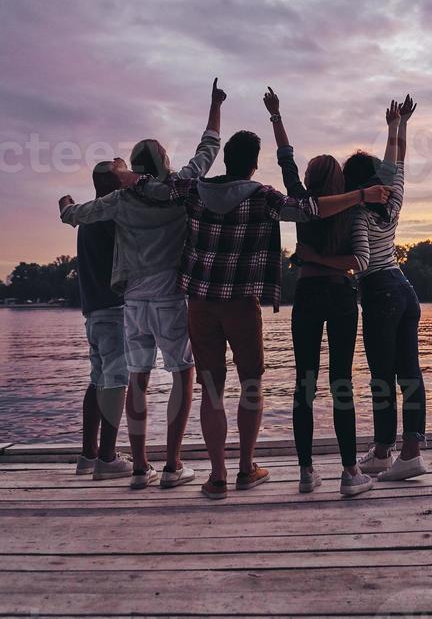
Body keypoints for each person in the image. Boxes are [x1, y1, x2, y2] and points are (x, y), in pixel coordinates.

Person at [119, 91, 391, 502]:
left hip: (201, 306)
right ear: (252, 164)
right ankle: (248, 468)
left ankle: (217, 478)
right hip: (243, 305)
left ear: (226, 160)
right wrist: (359, 196)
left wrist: (129, 177)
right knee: (253, 385)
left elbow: (158, 188)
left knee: (211, 389)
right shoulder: (263, 197)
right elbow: (311, 209)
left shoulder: (194, 190)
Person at [59, 79, 223, 490]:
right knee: (183, 375)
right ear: (162, 162)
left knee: (137, 378)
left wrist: (64, 204)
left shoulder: (119, 201)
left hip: (132, 302)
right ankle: (172, 465)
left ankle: (137, 467)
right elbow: (208, 149)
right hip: (170, 295)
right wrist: (215, 105)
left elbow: (74, 215)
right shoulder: (180, 188)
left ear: (134, 165)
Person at [263, 87, 374, 498]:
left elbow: (285, 158)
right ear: (340, 180)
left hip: (308, 296)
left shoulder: (301, 202)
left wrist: (276, 115)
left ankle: (307, 472)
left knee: (304, 383)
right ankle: (349, 473)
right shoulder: (353, 209)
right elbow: (357, 262)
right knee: (341, 383)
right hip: (342, 298)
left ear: (310, 181)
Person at [346, 95, 427, 480]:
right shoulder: (393, 200)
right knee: (409, 372)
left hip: (379, 291)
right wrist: (399, 125)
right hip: (406, 289)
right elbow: (398, 160)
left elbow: (361, 261)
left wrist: (327, 265)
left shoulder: (357, 213)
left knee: (382, 376)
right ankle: (410, 451)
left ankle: (382, 451)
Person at [72, 161, 131, 481]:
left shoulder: (87, 216)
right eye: (123, 174)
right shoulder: (112, 214)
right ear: (113, 181)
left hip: (93, 312)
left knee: (98, 380)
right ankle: (107, 459)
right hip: (114, 311)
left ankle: (88, 454)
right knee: (117, 381)